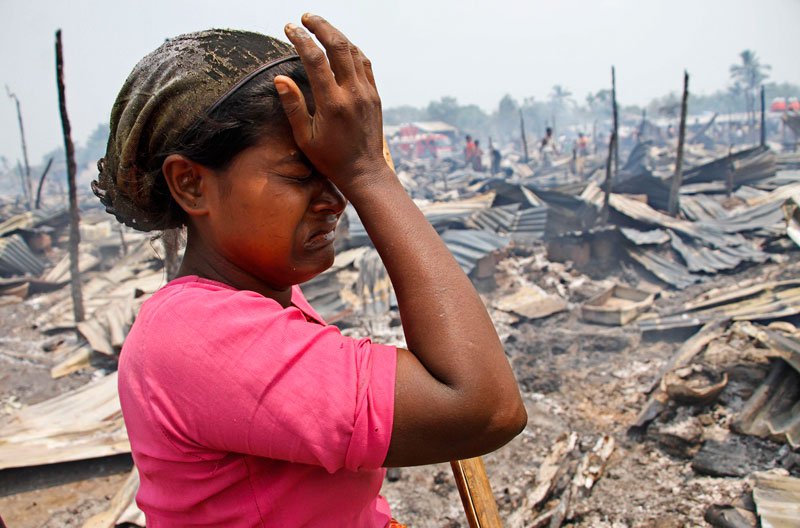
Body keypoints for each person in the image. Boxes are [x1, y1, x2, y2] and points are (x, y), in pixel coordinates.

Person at [92, 13, 526, 527]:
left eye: (338, 173)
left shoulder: (266, 296)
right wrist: (368, 172)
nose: (336, 199)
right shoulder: (198, 335)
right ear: (190, 184)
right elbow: (486, 408)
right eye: (302, 174)